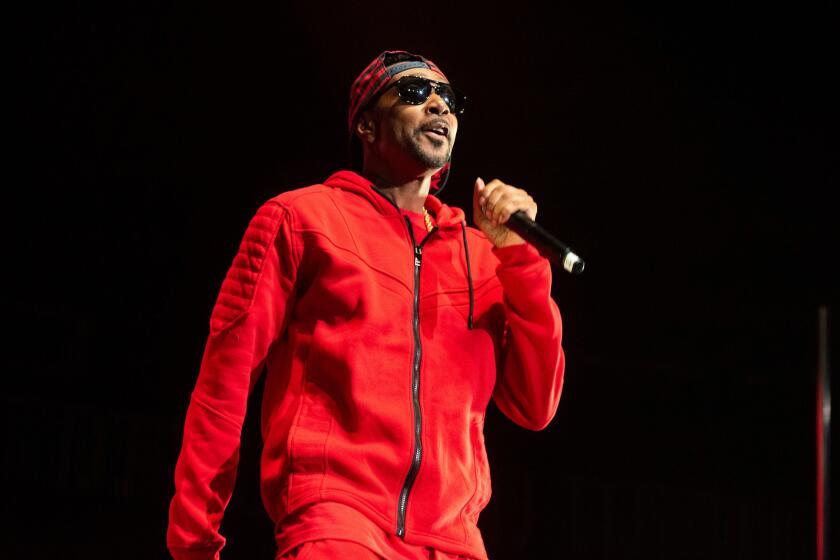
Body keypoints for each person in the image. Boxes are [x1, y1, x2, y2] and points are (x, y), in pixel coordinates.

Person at [167, 50, 565, 560]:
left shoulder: (482, 257)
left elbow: (535, 406)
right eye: (417, 94)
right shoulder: (302, 219)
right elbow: (225, 381)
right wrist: (194, 539)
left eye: (450, 100)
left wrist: (523, 262)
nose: (440, 108)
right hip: (338, 524)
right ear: (367, 125)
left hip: (456, 543)